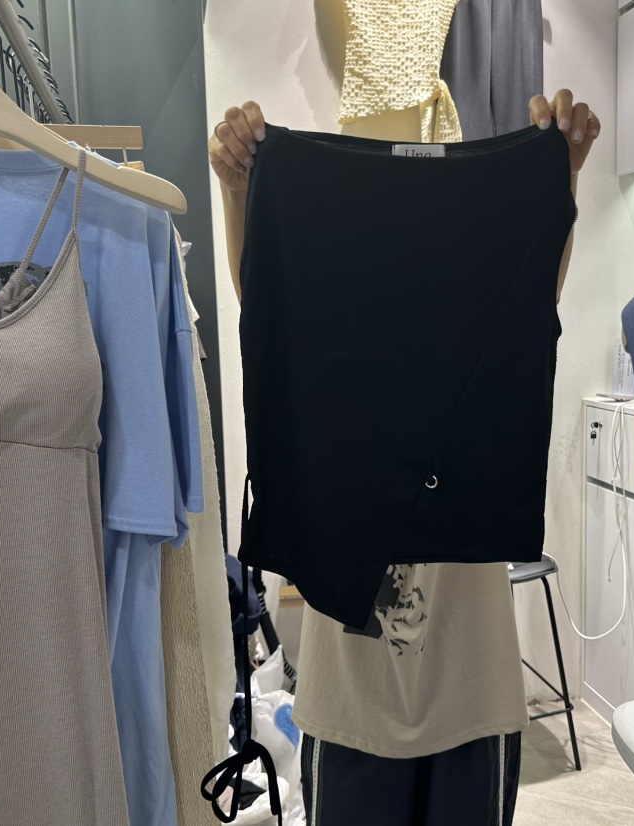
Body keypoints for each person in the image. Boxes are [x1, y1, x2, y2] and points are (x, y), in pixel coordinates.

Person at [208, 89, 599, 825]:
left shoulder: (476, 329)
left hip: (472, 694)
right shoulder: (334, 343)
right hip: (349, 702)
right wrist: (238, 191)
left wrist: (558, 178)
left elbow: (531, 305)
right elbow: (266, 307)